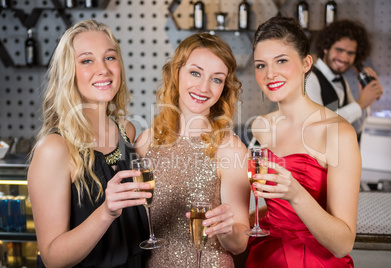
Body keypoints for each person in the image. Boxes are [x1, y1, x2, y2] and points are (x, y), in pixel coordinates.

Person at [27, 19, 151, 267]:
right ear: (68, 73)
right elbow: (52, 258)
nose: (103, 69)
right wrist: (107, 212)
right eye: (86, 60)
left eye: (109, 57)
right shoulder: (55, 149)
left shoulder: (126, 131)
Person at [246, 16, 361, 267]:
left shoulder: (338, 132)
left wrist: (296, 194)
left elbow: (343, 244)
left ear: (306, 63)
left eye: (282, 61)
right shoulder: (260, 126)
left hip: (312, 259)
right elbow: (275, 209)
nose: (270, 74)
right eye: (260, 65)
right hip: (263, 254)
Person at [135, 32, 250, 267]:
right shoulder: (146, 141)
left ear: (223, 89)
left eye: (216, 79)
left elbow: (240, 244)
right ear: (176, 73)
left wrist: (227, 230)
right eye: (195, 73)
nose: (204, 87)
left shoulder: (230, 149)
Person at [306, 19, 384, 140]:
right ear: (326, 48)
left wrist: (366, 96)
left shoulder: (341, 81)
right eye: (339, 50)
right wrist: (360, 104)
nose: (344, 58)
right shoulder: (310, 78)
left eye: (350, 53)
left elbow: (355, 127)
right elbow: (317, 127)